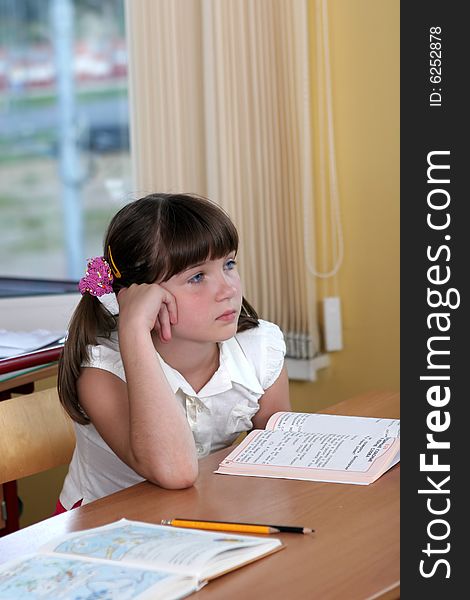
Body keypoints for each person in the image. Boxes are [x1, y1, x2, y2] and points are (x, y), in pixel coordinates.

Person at [56, 192, 290, 511]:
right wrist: (134, 329)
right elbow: (174, 472)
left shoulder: (260, 347)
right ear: (141, 295)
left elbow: (279, 454)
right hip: (105, 527)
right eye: (197, 277)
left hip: (199, 509)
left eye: (229, 264)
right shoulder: (102, 371)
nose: (229, 289)